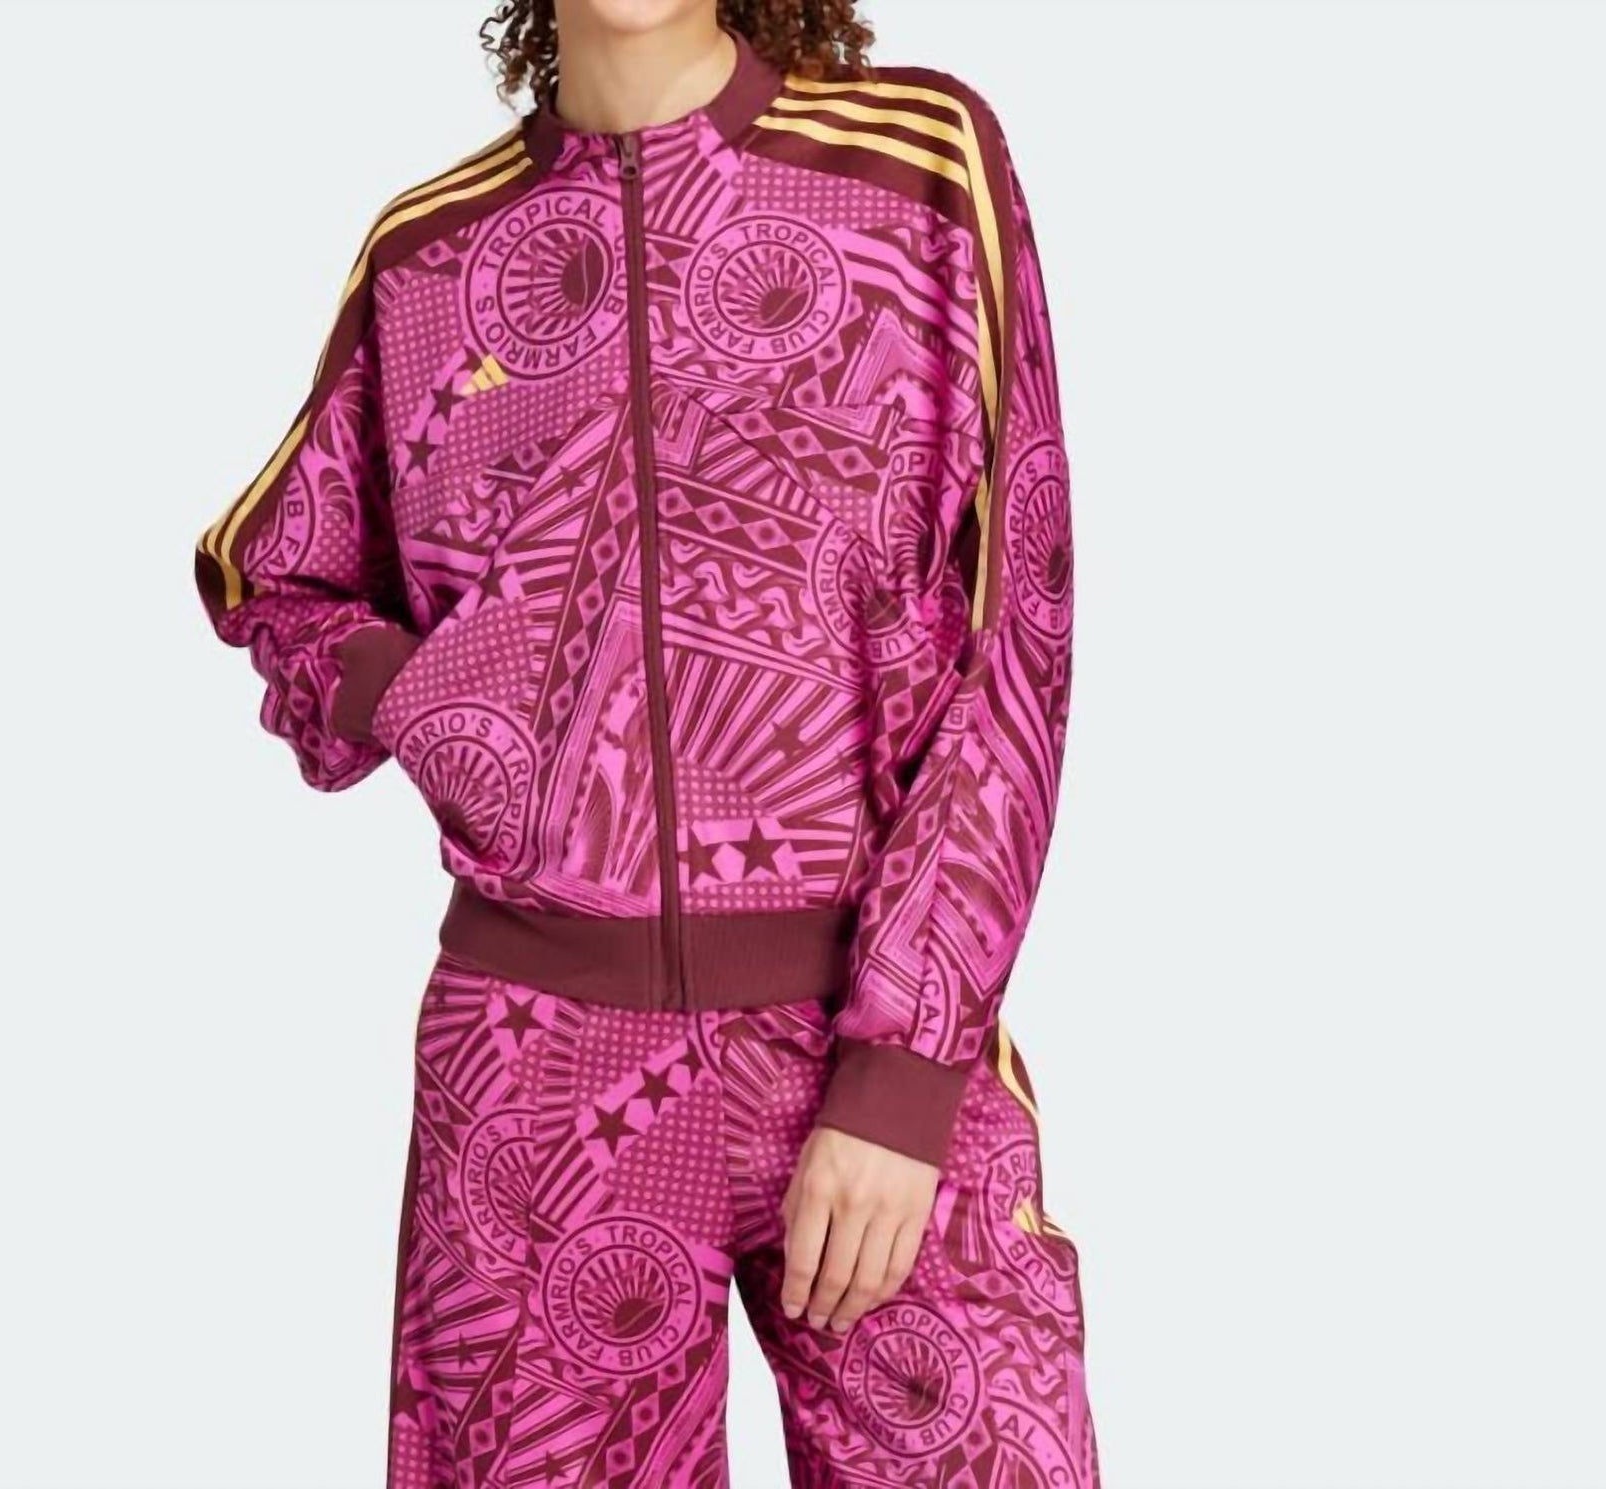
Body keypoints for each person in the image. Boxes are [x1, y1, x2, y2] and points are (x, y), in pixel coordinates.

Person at [191, 1, 1096, 1483]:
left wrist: (905, 1071)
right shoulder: (430, 256)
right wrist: (442, 700)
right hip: (533, 1075)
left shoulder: (919, 167)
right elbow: (272, 570)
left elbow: (1019, 625)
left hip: (868, 1036)